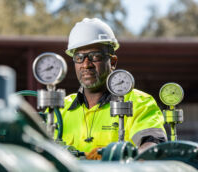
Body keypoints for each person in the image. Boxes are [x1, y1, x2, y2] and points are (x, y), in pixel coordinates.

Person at [58, 18, 167, 160]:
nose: (86, 64)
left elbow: (153, 148)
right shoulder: (60, 108)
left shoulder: (139, 103)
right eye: (79, 57)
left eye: (94, 56)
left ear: (113, 62)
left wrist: (118, 157)